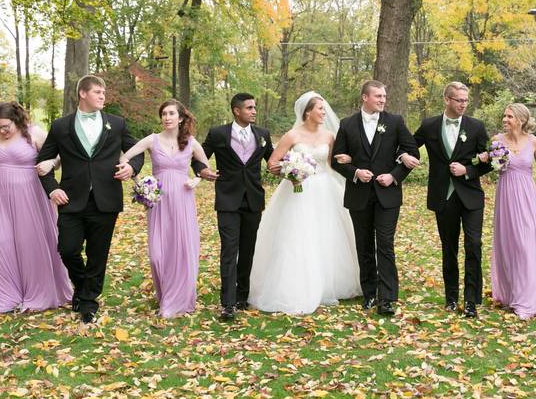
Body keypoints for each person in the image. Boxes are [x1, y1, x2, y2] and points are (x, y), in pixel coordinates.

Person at [35, 75, 143, 324]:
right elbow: (42, 162)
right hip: (71, 199)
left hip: (106, 198)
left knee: (98, 254)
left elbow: (136, 152)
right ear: (82, 94)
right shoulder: (61, 126)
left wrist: (131, 168)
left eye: (104, 92)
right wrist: (52, 189)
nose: (103, 96)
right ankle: (83, 287)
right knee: (67, 249)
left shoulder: (117, 124)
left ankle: (88, 302)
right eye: (97, 91)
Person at [247, 92, 362, 314]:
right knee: (298, 235)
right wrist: (290, 172)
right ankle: (296, 284)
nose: (323, 112)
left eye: (323, 109)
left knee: (327, 235)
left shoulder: (329, 136)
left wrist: (346, 160)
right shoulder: (291, 136)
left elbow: (333, 164)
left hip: (325, 189)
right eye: (319, 108)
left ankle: (330, 283)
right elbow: (273, 163)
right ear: (308, 112)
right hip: (297, 191)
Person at [398, 82, 491, 318]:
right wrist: (403, 155)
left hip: (470, 196)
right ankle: (451, 298)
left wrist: (468, 171)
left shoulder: (476, 127)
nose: (463, 104)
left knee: (474, 245)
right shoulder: (430, 125)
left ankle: (471, 300)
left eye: (466, 100)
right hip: (443, 196)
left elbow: (489, 160)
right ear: (447, 100)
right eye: (459, 100)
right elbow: (408, 145)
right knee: (449, 248)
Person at [0, 101, 71, 314]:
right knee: (1, 242)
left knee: (29, 242)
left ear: (16, 120)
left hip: (31, 196)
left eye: (5, 126)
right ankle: (5, 296)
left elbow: (58, 157)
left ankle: (39, 293)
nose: (1, 130)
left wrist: (50, 164)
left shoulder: (34, 133)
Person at [330, 80, 419, 316]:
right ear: (364, 98)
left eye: (384, 96)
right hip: (359, 195)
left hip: (387, 195)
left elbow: (413, 152)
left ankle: (387, 298)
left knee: (386, 245)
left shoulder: (395, 122)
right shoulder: (347, 124)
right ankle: (369, 294)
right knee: (364, 245)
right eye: (378, 96)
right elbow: (335, 160)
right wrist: (355, 173)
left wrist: (394, 175)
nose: (382, 100)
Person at [118, 100, 210, 318]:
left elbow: (205, 168)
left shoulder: (191, 142)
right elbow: (125, 157)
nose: (167, 117)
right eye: (164, 114)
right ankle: (165, 294)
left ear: (180, 118)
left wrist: (197, 180)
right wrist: (138, 181)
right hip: (158, 200)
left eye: (171, 113)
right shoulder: (152, 140)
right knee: (157, 254)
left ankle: (178, 300)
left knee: (182, 247)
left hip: (182, 198)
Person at [197, 93, 274, 320]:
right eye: (249, 108)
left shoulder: (263, 135)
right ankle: (227, 303)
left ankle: (242, 296)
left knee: (248, 250)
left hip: (253, 200)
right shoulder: (218, 133)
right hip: (227, 200)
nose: (254, 111)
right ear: (236, 110)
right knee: (229, 250)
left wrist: (293, 169)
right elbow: (199, 155)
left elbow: (272, 160)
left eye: (255, 107)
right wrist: (202, 169)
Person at [486, 103, 536, 320]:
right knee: (508, 244)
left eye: (509, 116)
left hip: (526, 195)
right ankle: (511, 294)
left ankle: (528, 299)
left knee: (526, 244)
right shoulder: (497, 140)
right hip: (505, 194)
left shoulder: (534, 142)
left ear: (521, 120)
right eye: (504, 116)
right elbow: (492, 167)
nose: (505, 120)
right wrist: (485, 158)